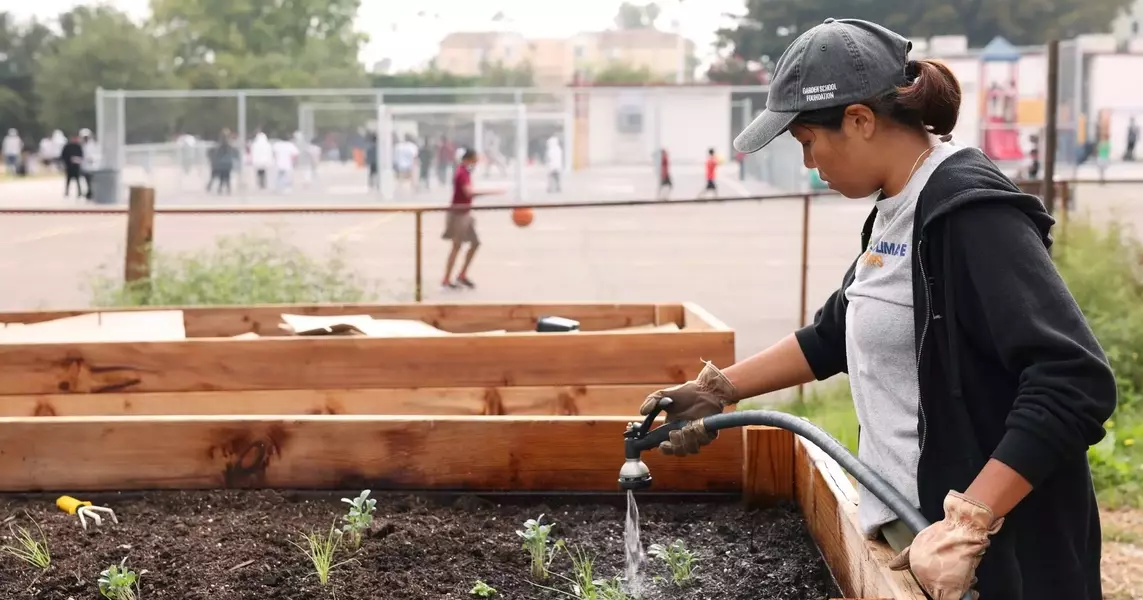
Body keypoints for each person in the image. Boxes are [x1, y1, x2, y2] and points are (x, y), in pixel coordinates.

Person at [639, 18, 1116, 600]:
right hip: (912, 537)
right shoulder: (896, 205)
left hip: (991, 561)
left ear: (860, 120)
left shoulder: (969, 213)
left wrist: (969, 523)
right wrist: (718, 391)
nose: (810, 163)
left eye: (808, 141)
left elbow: (1073, 381)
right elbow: (837, 333)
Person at [442, 149, 501, 289]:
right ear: (467, 160)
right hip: (458, 215)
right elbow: (468, 192)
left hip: (465, 214)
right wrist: (491, 192)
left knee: (475, 243)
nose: (475, 164)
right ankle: (446, 279)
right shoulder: (461, 173)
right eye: (474, 161)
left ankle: (462, 274)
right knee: (456, 246)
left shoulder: (465, 172)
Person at [60, 133, 85, 198]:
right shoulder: (67, 147)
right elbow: (63, 155)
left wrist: (78, 159)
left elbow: (81, 155)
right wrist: (67, 161)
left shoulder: (78, 147)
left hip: (76, 165)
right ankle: (67, 191)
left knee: (77, 179)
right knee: (68, 179)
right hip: (69, 165)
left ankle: (79, 192)